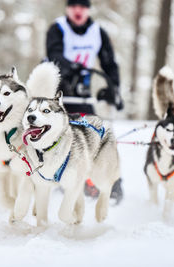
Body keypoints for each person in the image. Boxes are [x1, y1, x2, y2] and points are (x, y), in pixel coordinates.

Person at [45, 0, 123, 204]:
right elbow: (54, 55)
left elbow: (109, 63)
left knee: (94, 133)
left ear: (88, 9)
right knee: (56, 133)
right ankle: (52, 176)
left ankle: (107, 182)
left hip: (83, 92)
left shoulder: (98, 32)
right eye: (74, 6)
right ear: (67, 8)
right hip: (57, 91)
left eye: (83, 7)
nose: (78, 11)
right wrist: (72, 67)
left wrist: (113, 89)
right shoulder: (58, 28)